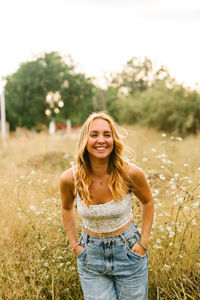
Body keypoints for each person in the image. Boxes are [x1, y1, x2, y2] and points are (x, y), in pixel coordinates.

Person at [60, 112, 154, 300]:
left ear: (114, 139)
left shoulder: (131, 173)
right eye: (94, 135)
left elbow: (148, 202)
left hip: (128, 252)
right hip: (91, 255)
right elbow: (67, 208)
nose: (100, 140)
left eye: (107, 134)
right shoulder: (71, 178)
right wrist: (75, 245)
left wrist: (143, 242)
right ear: (84, 140)